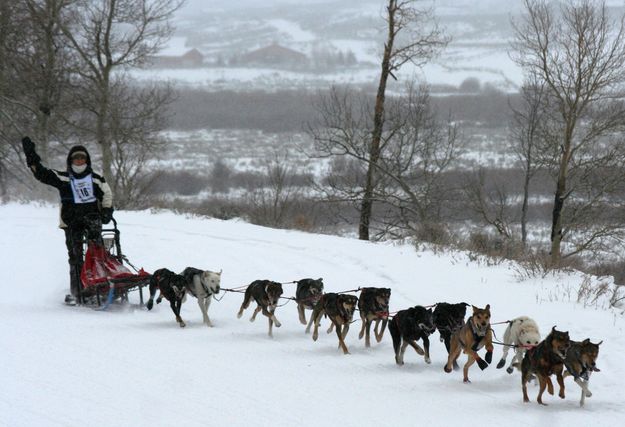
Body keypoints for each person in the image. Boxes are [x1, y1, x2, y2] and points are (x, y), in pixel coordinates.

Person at [21, 136, 114, 305]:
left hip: (93, 219)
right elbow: (41, 174)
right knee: (75, 257)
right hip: (71, 221)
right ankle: (77, 290)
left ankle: (101, 284)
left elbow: (106, 193)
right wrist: (31, 155)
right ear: (71, 161)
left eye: (82, 158)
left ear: (87, 160)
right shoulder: (64, 178)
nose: (79, 161)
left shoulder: (95, 178)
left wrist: (107, 210)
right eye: (76, 158)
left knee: (98, 252)